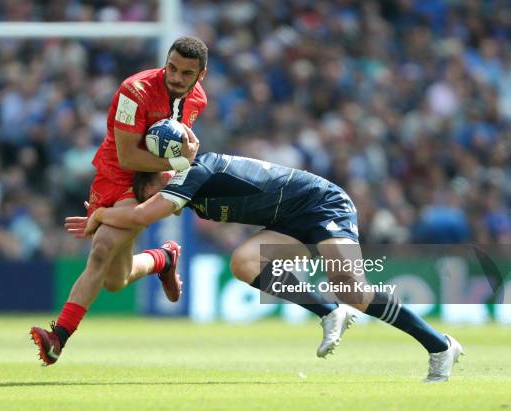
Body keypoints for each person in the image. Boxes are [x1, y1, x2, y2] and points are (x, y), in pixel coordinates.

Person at [67, 152, 464, 382]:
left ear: (163, 174)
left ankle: (440, 346)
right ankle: (328, 311)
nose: (149, 195)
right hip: (289, 220)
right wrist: (103, 217)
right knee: (243, 263)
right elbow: (140, 214)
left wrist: (100, 217)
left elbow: (139, 216)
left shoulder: (191, 173)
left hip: (322, 203)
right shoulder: (181, 185)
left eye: (148, 187)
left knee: (352, 288)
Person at [30, 36, 208, 366]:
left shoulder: (198, 100)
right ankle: (163, 258)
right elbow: (127, 157)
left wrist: (172, 170)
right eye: (172, 68)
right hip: (114, 173)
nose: (176, 77)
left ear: (201, 74)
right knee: (115, 280)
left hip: (149, 182)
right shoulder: (134, 90)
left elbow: (167, 149)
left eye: (186, 73)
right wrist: (181, 162)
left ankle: (58, 338)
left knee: (100, 250)